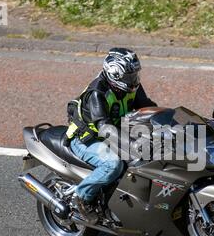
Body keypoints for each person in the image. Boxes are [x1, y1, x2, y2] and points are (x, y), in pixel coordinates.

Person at [61, 48, 156, 223]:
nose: (133, 80)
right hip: (86, 140)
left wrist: (166, 122)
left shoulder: (131, 87)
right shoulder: (97, 93)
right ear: (115, 74)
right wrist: (131, 145)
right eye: (129, 76)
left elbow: (147, 107)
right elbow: (104, 128)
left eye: (134, 75)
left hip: (113, 133)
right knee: (113, 164)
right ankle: (82, 198)